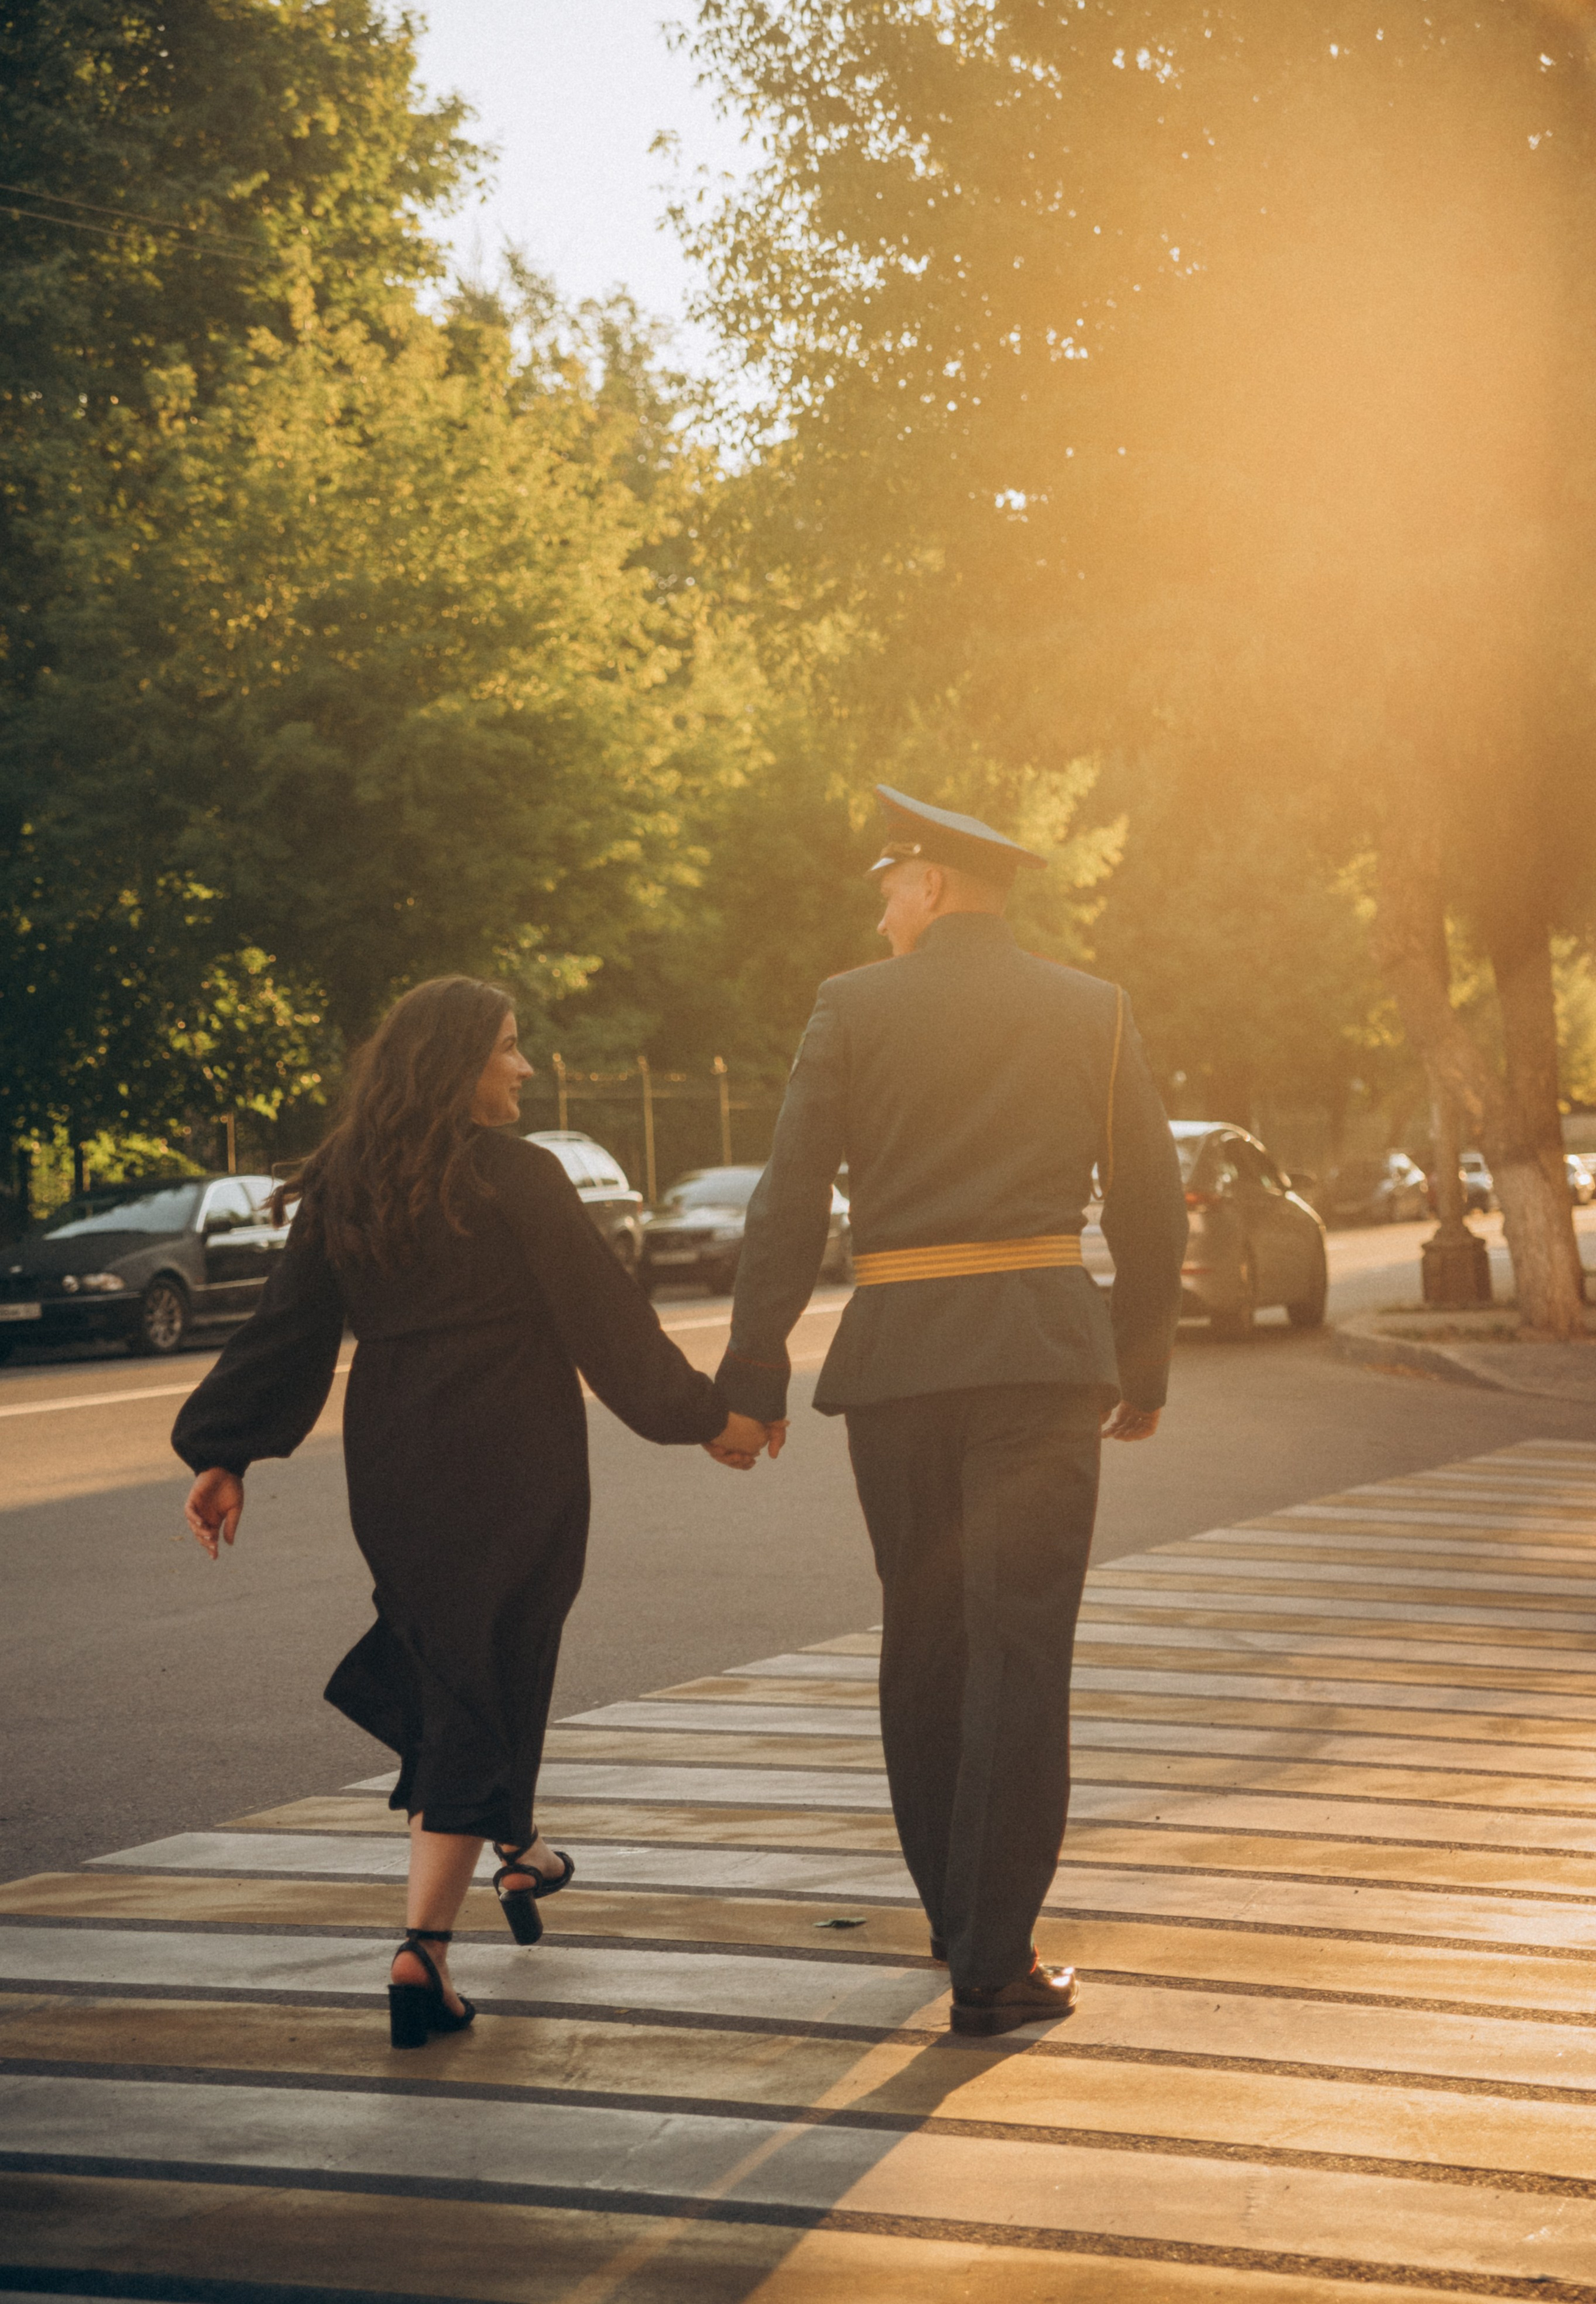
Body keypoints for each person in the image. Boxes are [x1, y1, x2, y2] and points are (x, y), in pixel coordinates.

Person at [175, 976, 775, 2050]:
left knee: (453, 1650)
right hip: (512, 1448)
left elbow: (288, 1330)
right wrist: (707, 1418)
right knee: (485, 1666)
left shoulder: (348, 1183)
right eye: (509, 1047)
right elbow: (608, 1323)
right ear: (459, 1063)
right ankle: (424, 1953)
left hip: (397, 1449)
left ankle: (521, 1846)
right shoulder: (518, 1177)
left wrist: (227, 1454)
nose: (526, 1067)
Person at [715, 786, 1187, 2036]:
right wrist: (1139, 1363)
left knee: (922, 1638)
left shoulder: (850, 1007)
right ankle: (993, 1950)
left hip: (900, 1363)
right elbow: (1150, 1198)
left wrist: (753, 1376)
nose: (878, 909)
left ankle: (953, 1915)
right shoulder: (1091, 1010)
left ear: (928, 885)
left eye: (887, 885)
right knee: (1017, 1648)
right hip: (1040, 1355)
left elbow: (789, 1198)